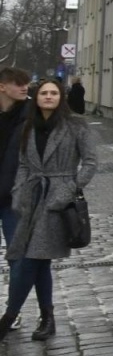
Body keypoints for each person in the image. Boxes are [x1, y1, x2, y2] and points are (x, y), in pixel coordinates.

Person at [1, 77, 98, 341]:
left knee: (31, 258)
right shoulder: (30, 127)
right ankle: (47, 317)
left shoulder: (76, 124)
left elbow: (90, 163)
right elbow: (22, 162)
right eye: (44, 92)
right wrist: (20, 191)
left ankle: (9, 316)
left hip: (56, 200)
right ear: (38, 96)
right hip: (30, 197)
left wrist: (69, 189)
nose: (48, 97)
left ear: (61, 97)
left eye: (54, 93)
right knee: (38, 261)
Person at [0, 69, 31, 256]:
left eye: (26, 83)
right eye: (18, 84)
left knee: (18, 255)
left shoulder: (32, 115)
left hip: (15, 198)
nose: (25, 88)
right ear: (2, 87)